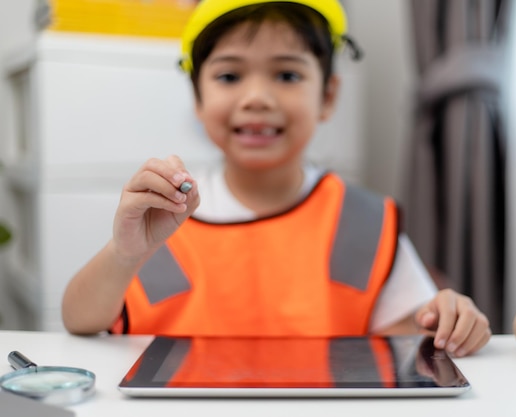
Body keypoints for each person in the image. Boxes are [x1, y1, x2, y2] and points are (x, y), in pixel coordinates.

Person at [61, 0, 491, 357]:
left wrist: (448, 319)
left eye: (287, 75)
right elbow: (78, 321)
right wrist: (123, 251)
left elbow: (410, 342)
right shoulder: (161, 217)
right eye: (229, 76)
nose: (257, 98)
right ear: (197, 97)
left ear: (328, 95)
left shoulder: (364, 221)